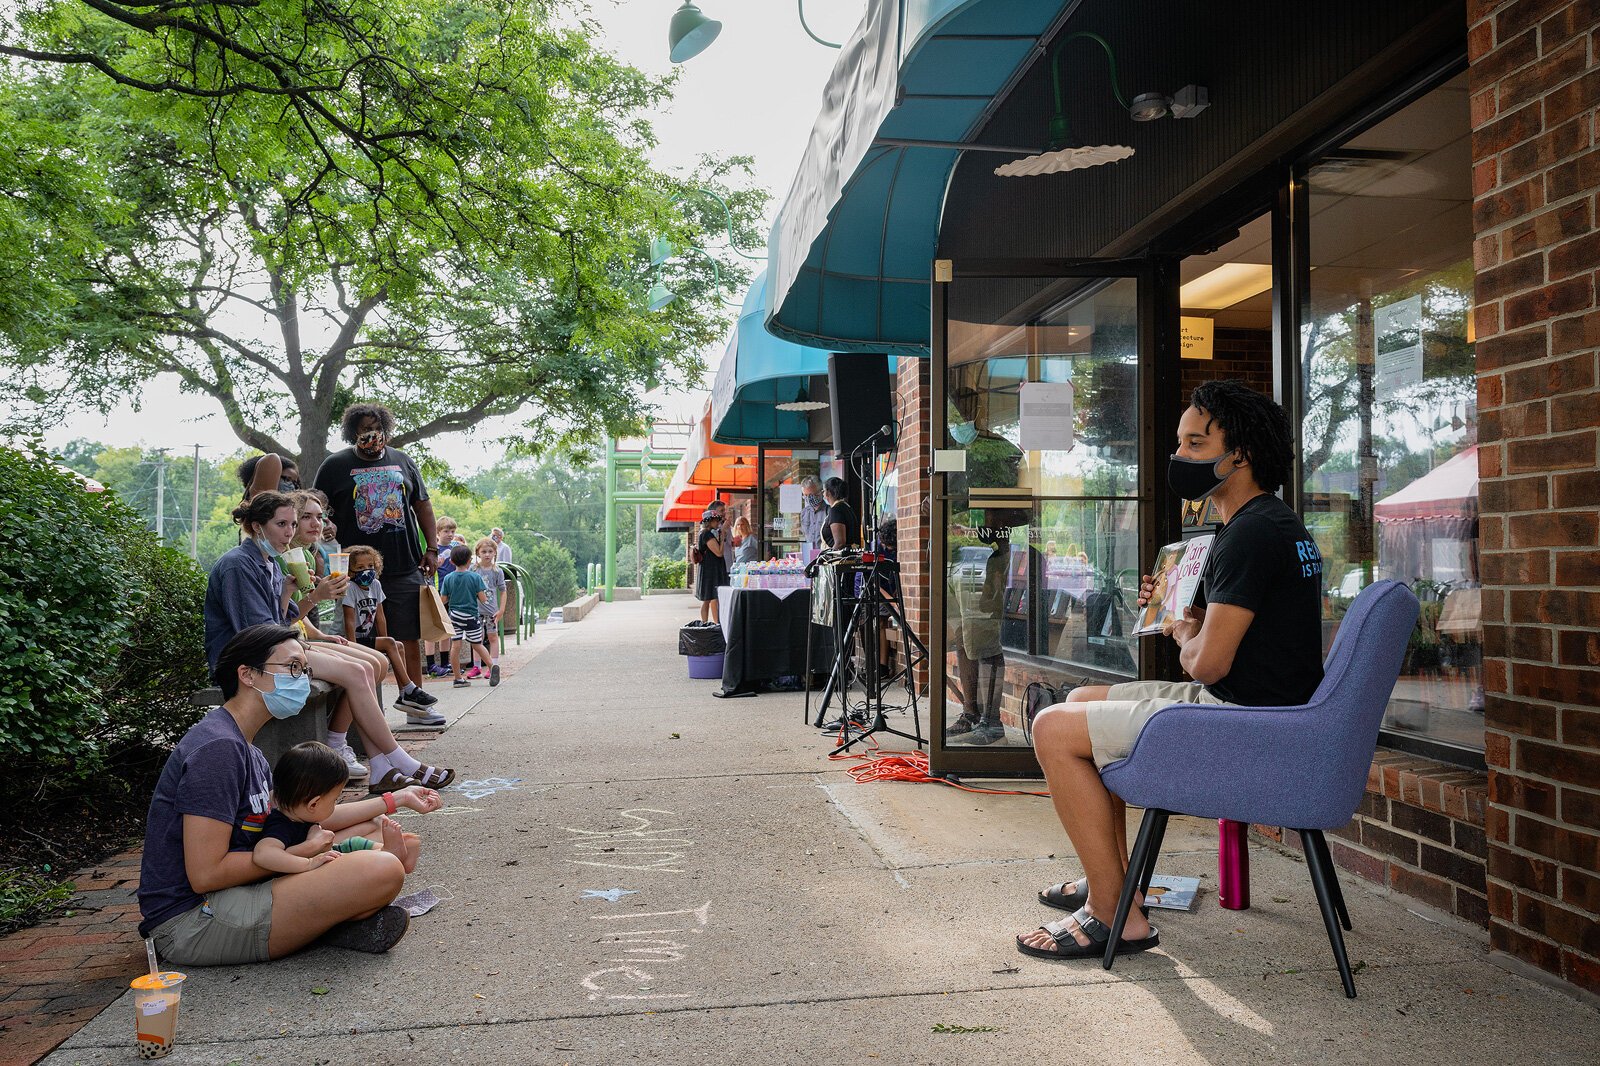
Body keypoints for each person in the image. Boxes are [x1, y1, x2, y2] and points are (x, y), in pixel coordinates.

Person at [1016, 380, 1324, 962]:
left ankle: (1115, 913)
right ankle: (1113, 877)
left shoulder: (1249, 535)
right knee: (1081, 696)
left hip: (1244, 723)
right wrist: (1182, 609)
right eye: (1180, 443)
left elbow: (1206, 663)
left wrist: (1181, 627)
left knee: (1052, 729)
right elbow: (1247, 633)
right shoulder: (1272, 524)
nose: (1180, 458)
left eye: (1195, 443)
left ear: (1242, 455)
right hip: (1268, 712)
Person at [138, 624, 442, 964]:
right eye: (293, 668)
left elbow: (305, 814)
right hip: (191, 921)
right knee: (381, 870)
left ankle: (324, 922)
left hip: (231, 895)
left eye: (304, 670)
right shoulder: (218, 750)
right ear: (248, 675)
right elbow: (205, 874)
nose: (301, 680)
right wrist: (305, 856)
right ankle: (329, 922)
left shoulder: (244, 746)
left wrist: (397, 799)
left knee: (371, 826)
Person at [205, 492, 456, 794]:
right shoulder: (239, 565)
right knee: (356, 671)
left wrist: (290, 593)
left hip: (274, 648)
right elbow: (255, 633)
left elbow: (278, 620)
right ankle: (398, 760)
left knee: (365, 665)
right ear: (258, 526)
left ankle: (380, 768)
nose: (289, 531)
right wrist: (311, 609)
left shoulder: (269, 562)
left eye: (292, 523)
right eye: (282, 523)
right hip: (250, 661)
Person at [313, 403, 440, 696]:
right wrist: (326, 525)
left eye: (376, 429)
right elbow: (317, 504)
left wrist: (431, 548)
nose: (371, 436)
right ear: (352, 434)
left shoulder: (403, 460)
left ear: (385, 429)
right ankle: (367, 708)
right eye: (363, 431)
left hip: (404, 564)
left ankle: (414, 701)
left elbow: (422, 504)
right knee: (359, 638)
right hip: (356, 571)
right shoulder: (335, 466)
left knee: (409, 637)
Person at [252, 742, 428, 876]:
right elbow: (263, 854)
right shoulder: (280, 826)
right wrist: (309, 862)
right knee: (350, 860)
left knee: (355, 842)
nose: (335, 805)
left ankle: (387, 851)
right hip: (306, 873)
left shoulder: (301, 816)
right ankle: (387, 854)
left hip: (326, 852)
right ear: (313, 804)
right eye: (334, 800)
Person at [341, 544, 444, 723]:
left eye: (370, 566)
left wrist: (386, 643)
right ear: (350, 570)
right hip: (349, 642)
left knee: (398, 645)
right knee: (391, 643)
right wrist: (353, 650)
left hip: (364, 638)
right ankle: (409, 691)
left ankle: (406, 692)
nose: (367, 571)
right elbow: (349, 621)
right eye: (360, 568)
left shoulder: (375, 585)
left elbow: (381, 618)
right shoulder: (350, 588)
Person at [439, 544, 493, 686]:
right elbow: (483, 599)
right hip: (471, 616)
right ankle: (493, 668)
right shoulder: (475, 577)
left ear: (451, 562)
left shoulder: (448, 578)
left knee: (455, 646)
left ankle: (457, 678)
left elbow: (443, 600)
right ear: (470, 560)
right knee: (477, 644)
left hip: (454, 616)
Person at [470, 537, 507, 685]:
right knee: (476, 638)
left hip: (492, 610)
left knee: (492, 637)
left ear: (494, 553)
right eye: (484, 551)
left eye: (490, 551)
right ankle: (476, 666)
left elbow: (503, 590)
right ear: (478, 553)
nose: (487, 554)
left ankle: (493, 666)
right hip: (475, 610)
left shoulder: (497, 571)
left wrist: (501, 609)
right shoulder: (474, 569)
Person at [693, 510, 727, 623]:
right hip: (710, 570)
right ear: (710, 521)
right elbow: (719, 552)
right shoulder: (707, 534)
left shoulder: (702, 533)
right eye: (716, 520)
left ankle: (705, 623)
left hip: (707, 569)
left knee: (707, 599)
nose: (718, 522)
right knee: (712, 597)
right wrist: (722, 539)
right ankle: (715, 623)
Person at [821, 476, 860, 550]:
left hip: (838, 560)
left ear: (828, 492)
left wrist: (828, 557)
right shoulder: (846, 507)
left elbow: (840, 543)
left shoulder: (836, 511)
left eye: (824, 491)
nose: (823, 494)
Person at [798, 475, 827, 550]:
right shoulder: (804, 513)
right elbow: (804, 536)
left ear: (821, 492)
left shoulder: (829, 512)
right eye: (805, 495)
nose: (808, 498)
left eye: (811, 495)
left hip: (824, 556)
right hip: (808, 555)